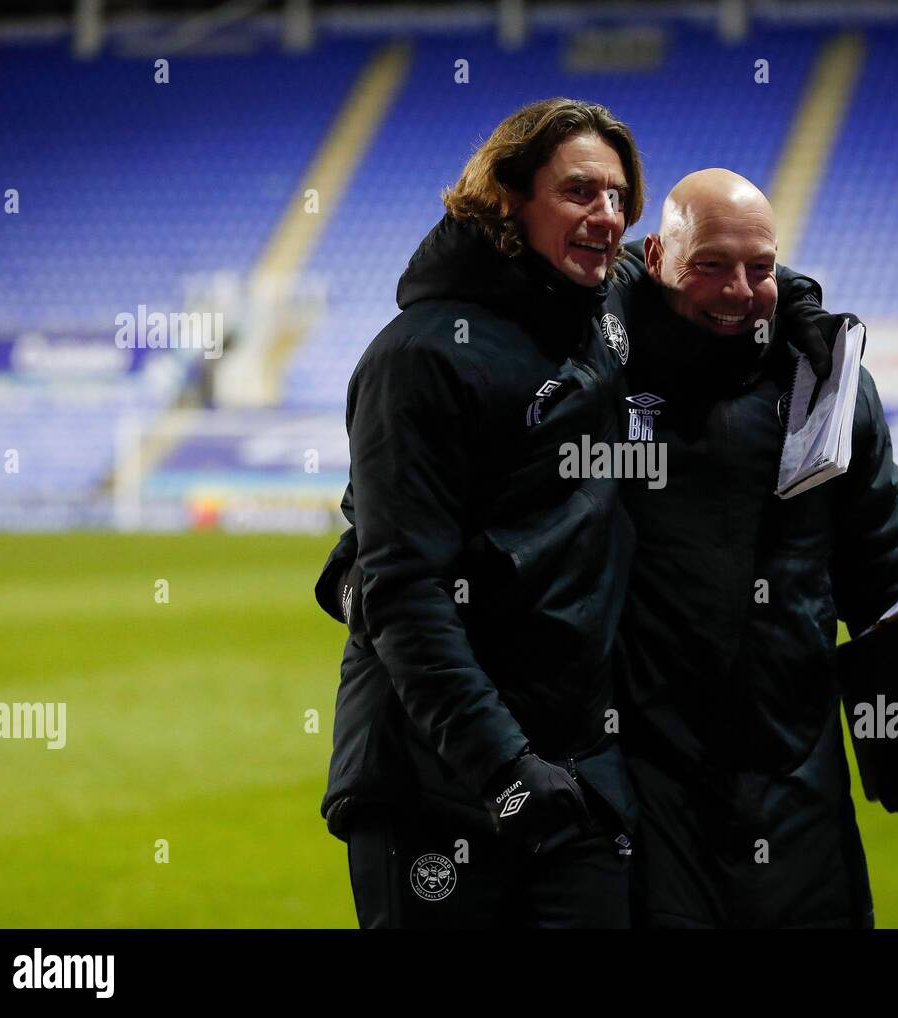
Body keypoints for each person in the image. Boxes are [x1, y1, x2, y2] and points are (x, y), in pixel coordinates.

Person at [320, 97, 647, 928]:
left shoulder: (604, 305)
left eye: (617, 196)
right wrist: (504, 768)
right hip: (440, 781)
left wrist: (798, 304)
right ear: (507, 197)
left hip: (578, 772)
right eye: (580, 192)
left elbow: (706, 260)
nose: (606, 217)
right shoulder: (419, 358)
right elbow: (403, 590)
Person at [606, 169, 898, 929]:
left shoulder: (827, 387)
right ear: (656, 257)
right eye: (710, 265)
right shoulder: (599, 376)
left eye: (759, 268)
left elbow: (882, 568)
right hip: (644, 778)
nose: (738, 290)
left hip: (798, 773)